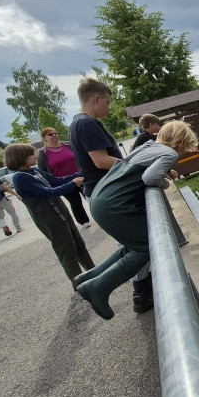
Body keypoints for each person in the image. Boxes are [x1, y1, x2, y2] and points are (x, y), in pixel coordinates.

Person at [74, 121, 196, 320]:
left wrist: (163, 171)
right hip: (115, 206)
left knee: (134, 246)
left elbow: (137, 168)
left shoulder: (146, 146)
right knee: (149, 246)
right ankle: (98, 287)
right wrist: (164, 182)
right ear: (180, 142)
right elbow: (149, 177)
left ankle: (90, 276)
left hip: (100, 199)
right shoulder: (169, 153)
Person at [69, 77, 152, 313]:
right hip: (110, 195)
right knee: (145, 243)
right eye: (107, 102)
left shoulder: (77, 122)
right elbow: (101, 160)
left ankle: (92, 277)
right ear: (96, 99)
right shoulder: (87, 123)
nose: (108, 107)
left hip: (101, 192)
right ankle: (118, 289)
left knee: (131, 243)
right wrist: (135, 167)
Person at [6, 143, 95, 286]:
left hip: (60, 210)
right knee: (66, 249)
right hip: (49, 218)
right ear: (21, 158)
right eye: (31, 154)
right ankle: (80, 284)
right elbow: (48, 192)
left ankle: (94, 273)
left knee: (78, 242)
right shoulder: (20, 178)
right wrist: (73, 183)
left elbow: (56, 180)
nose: (35, 156)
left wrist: (82, 173)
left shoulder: (34, 171)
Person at [37, 127, 91, 227]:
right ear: (44, 138)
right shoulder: (42, 153)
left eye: (55, 133)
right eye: (50, 134)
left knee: (90, 195)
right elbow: (43, 171)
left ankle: (100, 213)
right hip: (64, 182)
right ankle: (83, 221)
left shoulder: (68, 145)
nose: (54, 135)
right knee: (75, 202)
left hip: (81, 176)